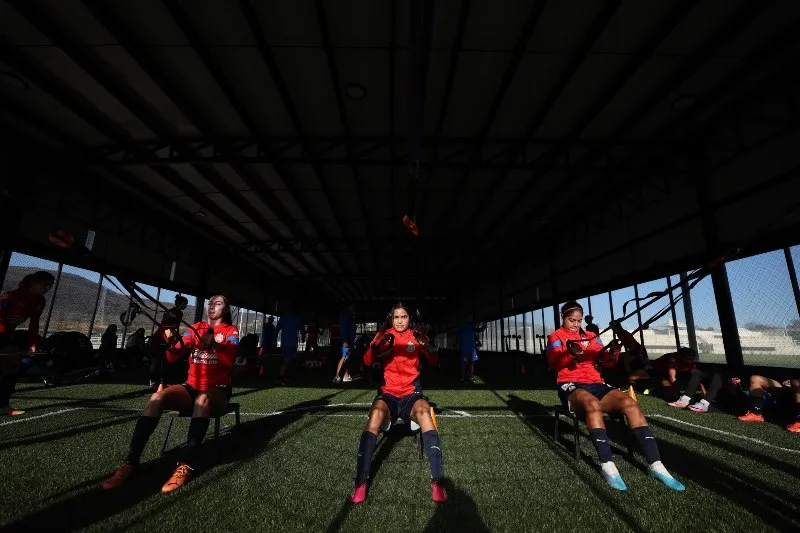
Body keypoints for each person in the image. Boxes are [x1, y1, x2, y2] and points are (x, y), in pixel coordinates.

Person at [102, 295, 239, 493]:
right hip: (191, 386)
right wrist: (172, 341)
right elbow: (171, 356)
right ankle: (130, 463)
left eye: (218, 304)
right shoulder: (196, 328)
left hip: (218, 390)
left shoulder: (230, 331)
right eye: (209, 302)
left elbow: (230, 361)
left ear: (225, 310)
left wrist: (213, 345)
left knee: (203, 398)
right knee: (157, 397)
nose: (212, 306)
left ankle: (186, 464)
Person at [547, 301, 684, 491]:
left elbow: (606, 362)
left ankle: (655, 465)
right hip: (570, 384)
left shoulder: (593, 336)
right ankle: (607, 466)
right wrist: (570, 354)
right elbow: (554, 363)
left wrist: (613, 352)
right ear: (563, 317)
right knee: (592, 404)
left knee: (630, 404)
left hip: (596, 383)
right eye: (572, 320)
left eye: (578, 321)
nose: (576, 325)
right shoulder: (555, 336)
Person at [349, 303, 446, 504]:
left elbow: (435, 362)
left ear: (409, 318)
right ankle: (361, 482)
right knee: (375, 414)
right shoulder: (383, 334)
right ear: (391, 319)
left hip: (412, 394)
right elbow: (367, 362)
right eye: (396, 317)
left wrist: (427, 346)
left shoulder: (417, 335)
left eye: (404, 317)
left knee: (425, 413)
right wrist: (376, 347)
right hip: (389, 394)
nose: (400, 320)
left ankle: (438, 481)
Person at [0, 271, 55, 416]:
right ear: (33, 283)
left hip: (6, 336)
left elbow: (34, 324)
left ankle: (3, 405)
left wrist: (32, 345)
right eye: (45, 285)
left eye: (50, 286)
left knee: (13, 367)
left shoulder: (39, 301)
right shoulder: (9, 297)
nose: (48, 289)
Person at [149, 295, 188, 391]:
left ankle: (162, 380)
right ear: (179, 303)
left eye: (186, 304)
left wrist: (175, 337)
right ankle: (153, 381)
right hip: (160, 337)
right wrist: (167, 316)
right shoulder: (170, 311)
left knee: (165, 360)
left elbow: (175, 327)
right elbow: (164, 324)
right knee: (157, 360)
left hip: (169, 338)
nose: (186, 306)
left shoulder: (180, 313)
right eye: (184, 304)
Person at [275, 309, 300, 385]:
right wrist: (302, 336)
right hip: (291, 343)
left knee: (290, 359)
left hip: (285, 342)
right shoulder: (296, 318)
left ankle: (287, 377)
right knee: (287, 360)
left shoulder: (283, 318)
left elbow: (277, 329)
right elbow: (301, 328)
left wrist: (274, 339)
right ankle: (280, 378)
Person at [334, 304, 357, 383]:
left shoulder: (350, 315)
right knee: (345, 357)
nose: (354, 306)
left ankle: (345, 376)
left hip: (350, 339)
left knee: (347, 358)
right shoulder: (345, 315)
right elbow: (343, 328)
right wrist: (345, 340)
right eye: (352, 305)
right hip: (347, 340)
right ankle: (337, 376)